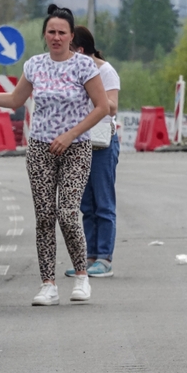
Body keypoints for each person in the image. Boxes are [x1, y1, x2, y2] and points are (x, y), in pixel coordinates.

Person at [0, 5, 109, 305]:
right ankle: (48, 284)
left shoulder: (84, 67)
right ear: (44, 35)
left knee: (68, 213)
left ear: (72, 36)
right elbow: (14, 99)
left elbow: (102, 107)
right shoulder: (34, 65)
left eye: (62, 32)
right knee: (45, 216)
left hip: (76, 147)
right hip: (40, 149)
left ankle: (82, 276)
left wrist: (71, 134)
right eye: (51, 32)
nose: (56, 37)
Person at [67, 26, 120, 278]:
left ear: (80, 50)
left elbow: (112, 107)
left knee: (103, 203)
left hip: (102, 144)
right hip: (79, 142)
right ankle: (88, 257)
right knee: (86, 204)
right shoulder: (71, 69)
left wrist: (94, 86)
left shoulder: (105, 71)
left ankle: (104, 258)